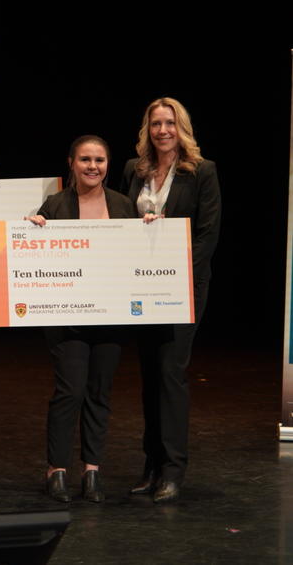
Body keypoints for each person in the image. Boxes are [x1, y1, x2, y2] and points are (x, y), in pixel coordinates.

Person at [27, 135, 137, 503]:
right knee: (69, 391)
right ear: (71, 163)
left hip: (110, 316)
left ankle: (92, 471)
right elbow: (32, 253)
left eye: (100, 160)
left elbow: (139, 255)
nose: (93, 166)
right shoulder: (56, 205)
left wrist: (153, 228)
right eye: (86, 159)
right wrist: (29, 229)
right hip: (66, 317)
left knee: (99, 393)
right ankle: (56, 470)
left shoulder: (123, 205)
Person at [121, 97, 220, 504]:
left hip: (183, 289)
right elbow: (121, 220)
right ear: (148, 129)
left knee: (171, 375)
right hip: (141, 288)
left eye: (170, 123)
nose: (163, 130)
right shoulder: (134, 169)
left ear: (182, 128)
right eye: (156, 123)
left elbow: (208, 234)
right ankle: (151, 465)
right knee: (149, 377)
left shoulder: (202, 172)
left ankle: (174, 470)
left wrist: (175, 275)